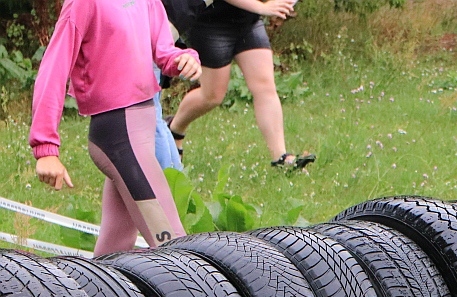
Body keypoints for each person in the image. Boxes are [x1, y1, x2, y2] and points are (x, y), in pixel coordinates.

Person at [30, 0, 202, 255]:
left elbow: (164, 52)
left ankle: (91, 294)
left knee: (115, 247)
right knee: (174, 248)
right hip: (118, 138)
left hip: (141, 135)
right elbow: (53, 68)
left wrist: (185, 58)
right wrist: (46, 149)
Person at [166, 0, 315, 169]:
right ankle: (175, 128)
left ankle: (280, 158)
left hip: (248, 21)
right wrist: (263, 7)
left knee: (265, 86)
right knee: (212, 96)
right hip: (212, 24)